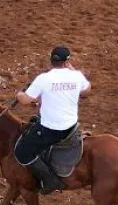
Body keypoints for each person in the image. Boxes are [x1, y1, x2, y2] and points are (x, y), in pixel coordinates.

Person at [12, 46, 91, 194]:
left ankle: (50, 181)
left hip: (50, 130)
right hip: (71, 127)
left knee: (22, 152)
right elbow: (86, 91)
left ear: (51, 60)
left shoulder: (43, 79)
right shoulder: (76, 76)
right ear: (67, 61)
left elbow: (24, 101)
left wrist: (19, 94)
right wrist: (74, 71)